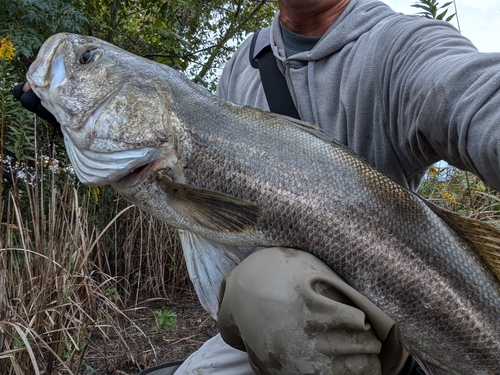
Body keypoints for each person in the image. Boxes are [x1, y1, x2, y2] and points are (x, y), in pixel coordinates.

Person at [14, 0, 500, 373]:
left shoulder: (401, 44)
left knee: (268, 286)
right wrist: (79, 126)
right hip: (287, 325)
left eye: (86, 60)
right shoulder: (242, 68)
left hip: (396, 317)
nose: (74, 65)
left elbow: (475, 98)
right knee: (258, 299)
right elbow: (220, 228)